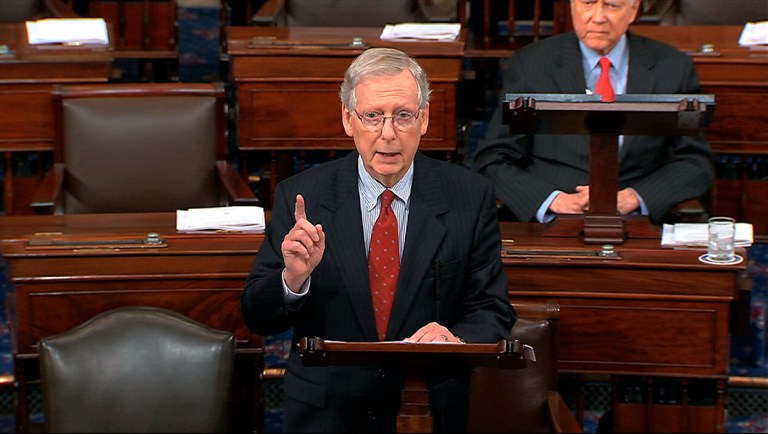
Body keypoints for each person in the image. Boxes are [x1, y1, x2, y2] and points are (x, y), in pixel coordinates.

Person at [241, 47, 516, 433]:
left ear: (423, 119)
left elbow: (492, 309)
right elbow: (257, 316)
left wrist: (455, 339)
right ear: (348, 119)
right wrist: (293, 280)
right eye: (372, 116)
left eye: (403, 115)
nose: (388, 134)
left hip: (428, 405)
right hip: (327, 410)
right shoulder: (303, 197)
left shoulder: (469, 197)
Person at [472, 0, 714, 225]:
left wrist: (635, 198)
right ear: (572, 7)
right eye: (588, 3)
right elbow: (493, 158)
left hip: (637, 221)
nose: (598, 17)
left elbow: (694, 161)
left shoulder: (672, 67)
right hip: (551, 221)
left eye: (611, 5)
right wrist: (554, 200)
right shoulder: (531, 64)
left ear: (633, 10)